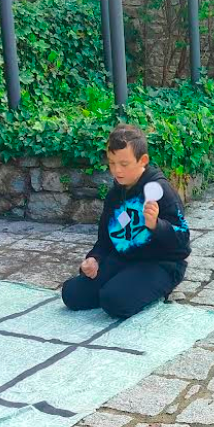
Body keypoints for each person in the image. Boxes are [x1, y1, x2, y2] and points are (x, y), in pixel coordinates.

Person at [62, 124, 191, 318]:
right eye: (112, 163)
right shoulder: (114, 195)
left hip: (161, 264)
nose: (116, 170)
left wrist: (157, 226)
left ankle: (157, 290)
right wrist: (94, 259)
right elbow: (105, 240)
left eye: (124, 164)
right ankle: (124, 284)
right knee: (71, 294)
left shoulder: (160, 191)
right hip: (124, 258)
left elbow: (182, 242)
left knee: (114, 301)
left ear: (143, 160)